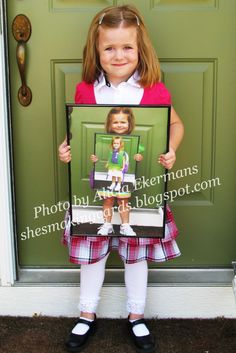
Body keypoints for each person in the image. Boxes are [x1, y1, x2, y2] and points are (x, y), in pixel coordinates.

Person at [58, 4, 184, 353]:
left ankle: (136, 315)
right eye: (108, 48)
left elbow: (175, 124)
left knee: (135, 253)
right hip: (96, 189)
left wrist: (171, 150)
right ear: (96, 51)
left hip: (139, 189)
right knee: (93, 253)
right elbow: (78, 134)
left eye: (127, 47)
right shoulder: (87, 90)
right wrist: (66, 148)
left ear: (140, 49)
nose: (118, 55)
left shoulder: (154, 90)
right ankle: (86, 314)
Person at [90, 107, 143, 237]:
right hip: (109, 176)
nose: (119, 125)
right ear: (109, 124)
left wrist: (139, 157)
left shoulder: (136, 142)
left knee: (123, 201)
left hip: (124, 176)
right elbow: (100, 156)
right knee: (108, 200)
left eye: (123, 122)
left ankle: (125, 225)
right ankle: (107, 225)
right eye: (115, 122)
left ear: (129, 124)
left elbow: (140, 154)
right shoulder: (104, 141)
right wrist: (95, 159)